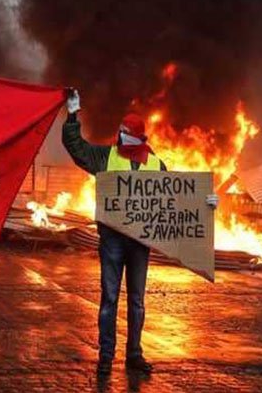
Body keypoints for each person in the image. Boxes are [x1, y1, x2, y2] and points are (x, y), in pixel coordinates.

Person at [61, 90, 218, 376]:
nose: (120, 137)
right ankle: (106, 356)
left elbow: (176, 200)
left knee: (136, 301)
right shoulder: (106, 156)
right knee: (109, 298)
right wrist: (72, 116)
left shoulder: (156, 165)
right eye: (120, 132)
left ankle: (134, 354)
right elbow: (77, 148)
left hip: (140, 242)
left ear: (138, 137)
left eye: (126, 133)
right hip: (112, 239)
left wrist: (205, 203)